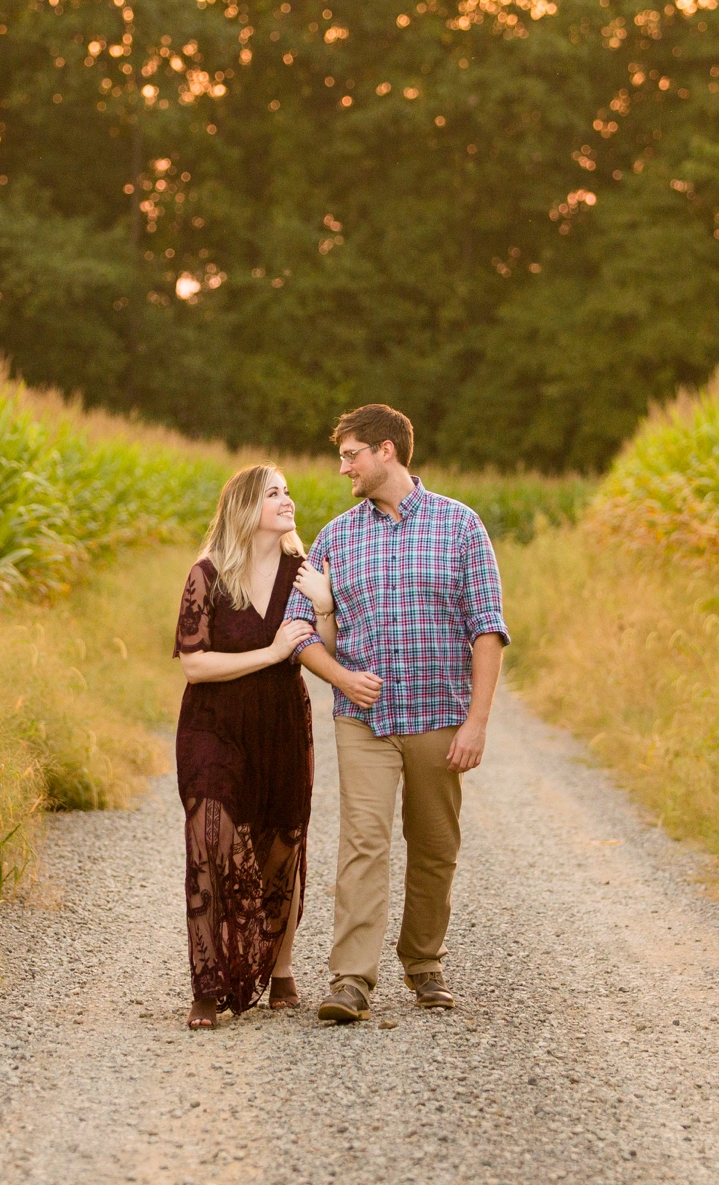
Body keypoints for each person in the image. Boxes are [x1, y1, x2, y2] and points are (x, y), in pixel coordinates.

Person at [283, 404, 508, 1023]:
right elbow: (298, 629)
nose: (342, 467)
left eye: (350, 454)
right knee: (363, 842)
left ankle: (423, 960)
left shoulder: (461, 527)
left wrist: (478, 722)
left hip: (440, 716)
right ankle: (351, 978)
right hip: (365, 722)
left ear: (387, 451)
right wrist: (342, 679)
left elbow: (487, 629)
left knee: (436, 845)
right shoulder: (335, 536)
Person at [171, 464, 323, 1030]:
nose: (287, 500)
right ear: (244, 507)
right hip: (215, 726)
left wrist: (325, 603)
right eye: (273, 493)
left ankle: (280, 967)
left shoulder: (301, 571)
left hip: (282, 721)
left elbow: (327, 645)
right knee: (211, 838)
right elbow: (194, 662)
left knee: (282, 842)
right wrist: (270, 652)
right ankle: (208, 984)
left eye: (287, 491)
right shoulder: (206, 575)